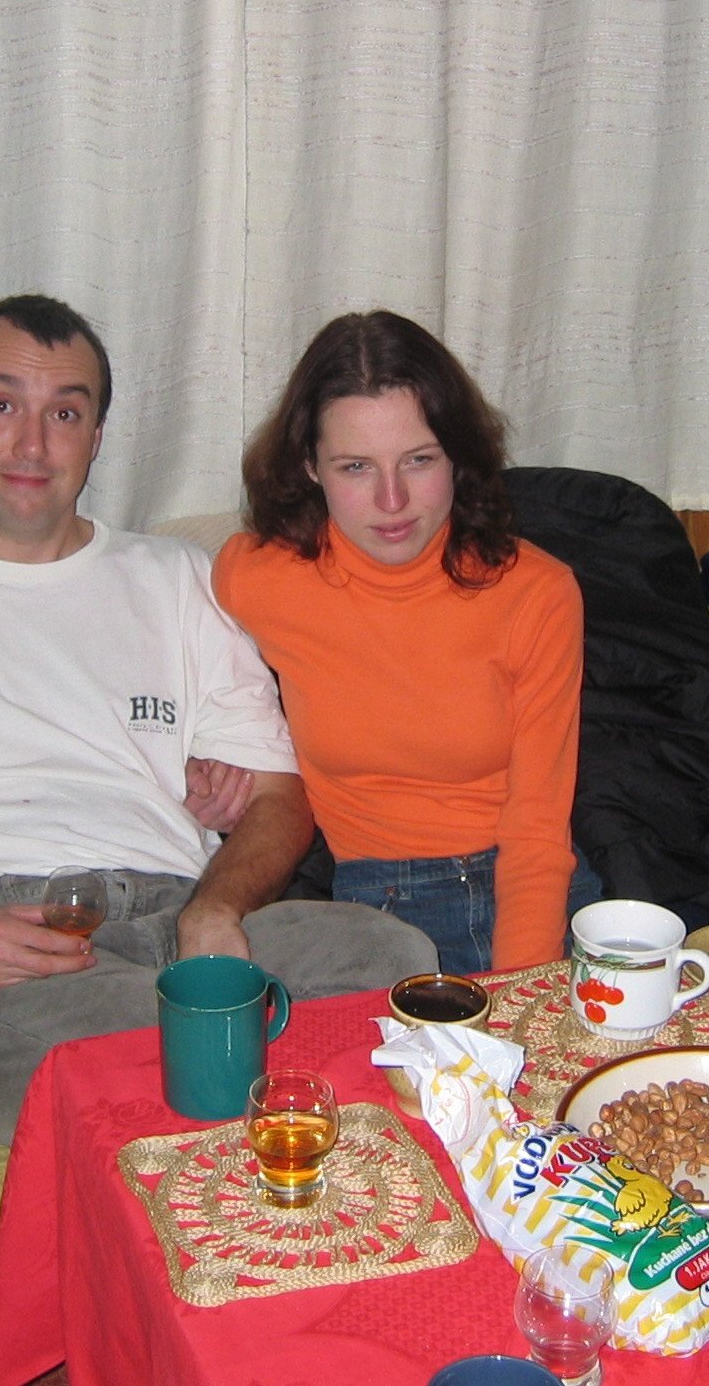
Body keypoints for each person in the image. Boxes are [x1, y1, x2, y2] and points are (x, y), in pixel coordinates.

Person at [0, 295, 435, 1142]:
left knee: (398, 963)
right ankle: (257, 1090)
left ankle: (229, 1085)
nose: (33, 444)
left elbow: (280, 798)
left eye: (65, 413)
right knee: (120, 1051)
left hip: (184, 916)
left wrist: (216, 909)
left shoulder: (176, 579)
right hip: (5, 950)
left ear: (95, 436)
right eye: (2, 406)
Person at [212, 312, 592, 975]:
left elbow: (537, 829)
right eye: (356, 467)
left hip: (531, 893)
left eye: (419, 460)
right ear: (310, 466)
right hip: (380, 913)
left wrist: (523, 992)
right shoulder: (255, 577)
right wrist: (199, 762)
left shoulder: (537, 593)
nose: (392, 500)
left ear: (458, 457)